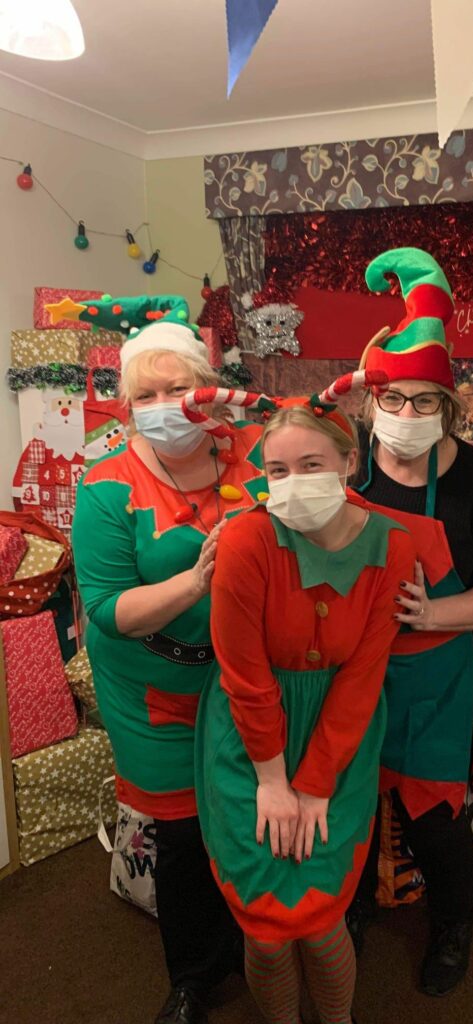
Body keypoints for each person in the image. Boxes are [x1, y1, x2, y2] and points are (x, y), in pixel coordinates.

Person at [191, 373, 417, 1024]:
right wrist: (272, 779)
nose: (292, 482)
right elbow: (243, 671)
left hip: (338, 736)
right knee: (265, 926)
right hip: (247, 736)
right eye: (277, 470)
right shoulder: (246, 539)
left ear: (349, 461)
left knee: (320, 921)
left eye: (311, 465)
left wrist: (315, 784)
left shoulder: (392, 546)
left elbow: (364, 674)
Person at [68, 294, 264, 1024]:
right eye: (143, 396)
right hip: (150, 690)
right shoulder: (106, 484)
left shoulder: (253, 452)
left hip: (243, 677)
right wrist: (197, 580)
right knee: (182, 834)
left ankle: (262, 943)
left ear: (207, 389)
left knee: (245, 813)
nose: (160, 408)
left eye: (175, 389)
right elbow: (107, 609)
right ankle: (192, 977)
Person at [347, 248, 473, 996]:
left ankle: (453, 924)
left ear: (450, 408)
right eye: (393, 399)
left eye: (426, 402)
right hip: (353, 671)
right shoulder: (345, 468)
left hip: (441, 680)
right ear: (370, 401)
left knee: (434, 819)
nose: (407, 415)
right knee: (353, 803)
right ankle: (351, 910)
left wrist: (432, 612)